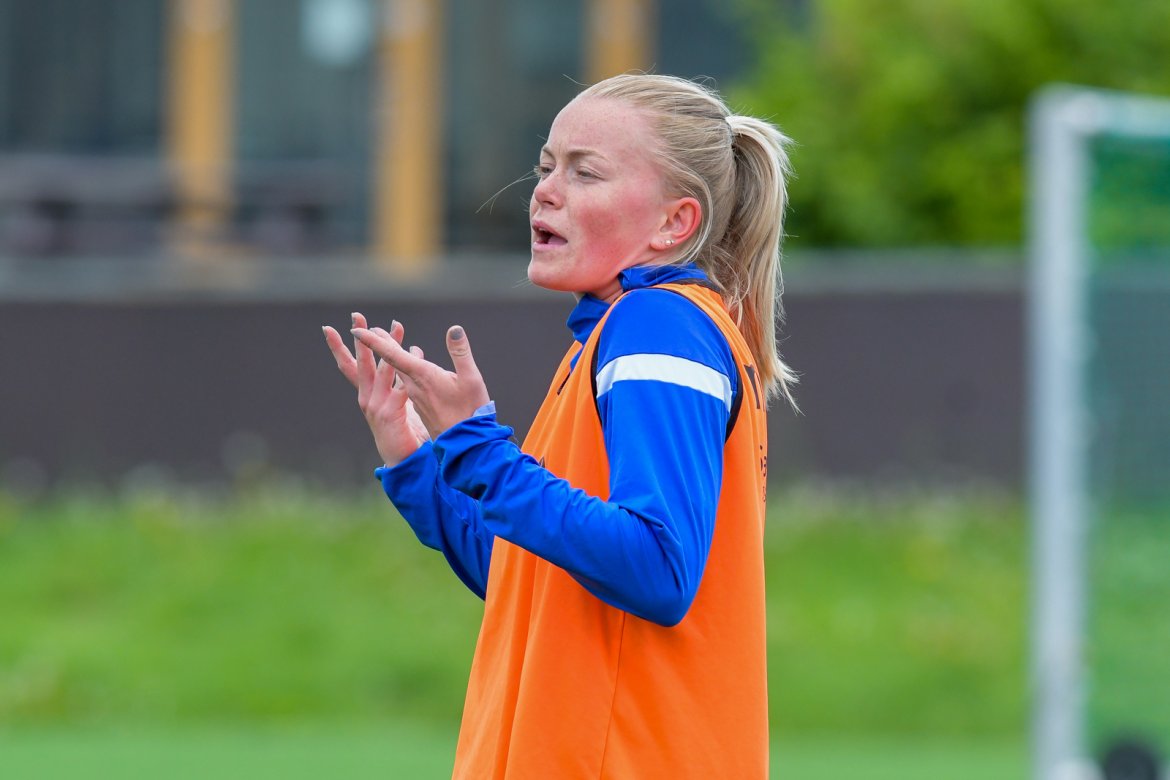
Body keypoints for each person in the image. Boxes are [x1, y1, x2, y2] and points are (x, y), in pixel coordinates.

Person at [323, 73, 797, 779]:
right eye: (546, 166)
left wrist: (483, 452)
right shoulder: (615, 332)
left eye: (585, 172)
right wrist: (421, 461)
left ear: (675, 224)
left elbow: (658, 568)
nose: (545, 190)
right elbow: (536, 583)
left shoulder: (656, 325)